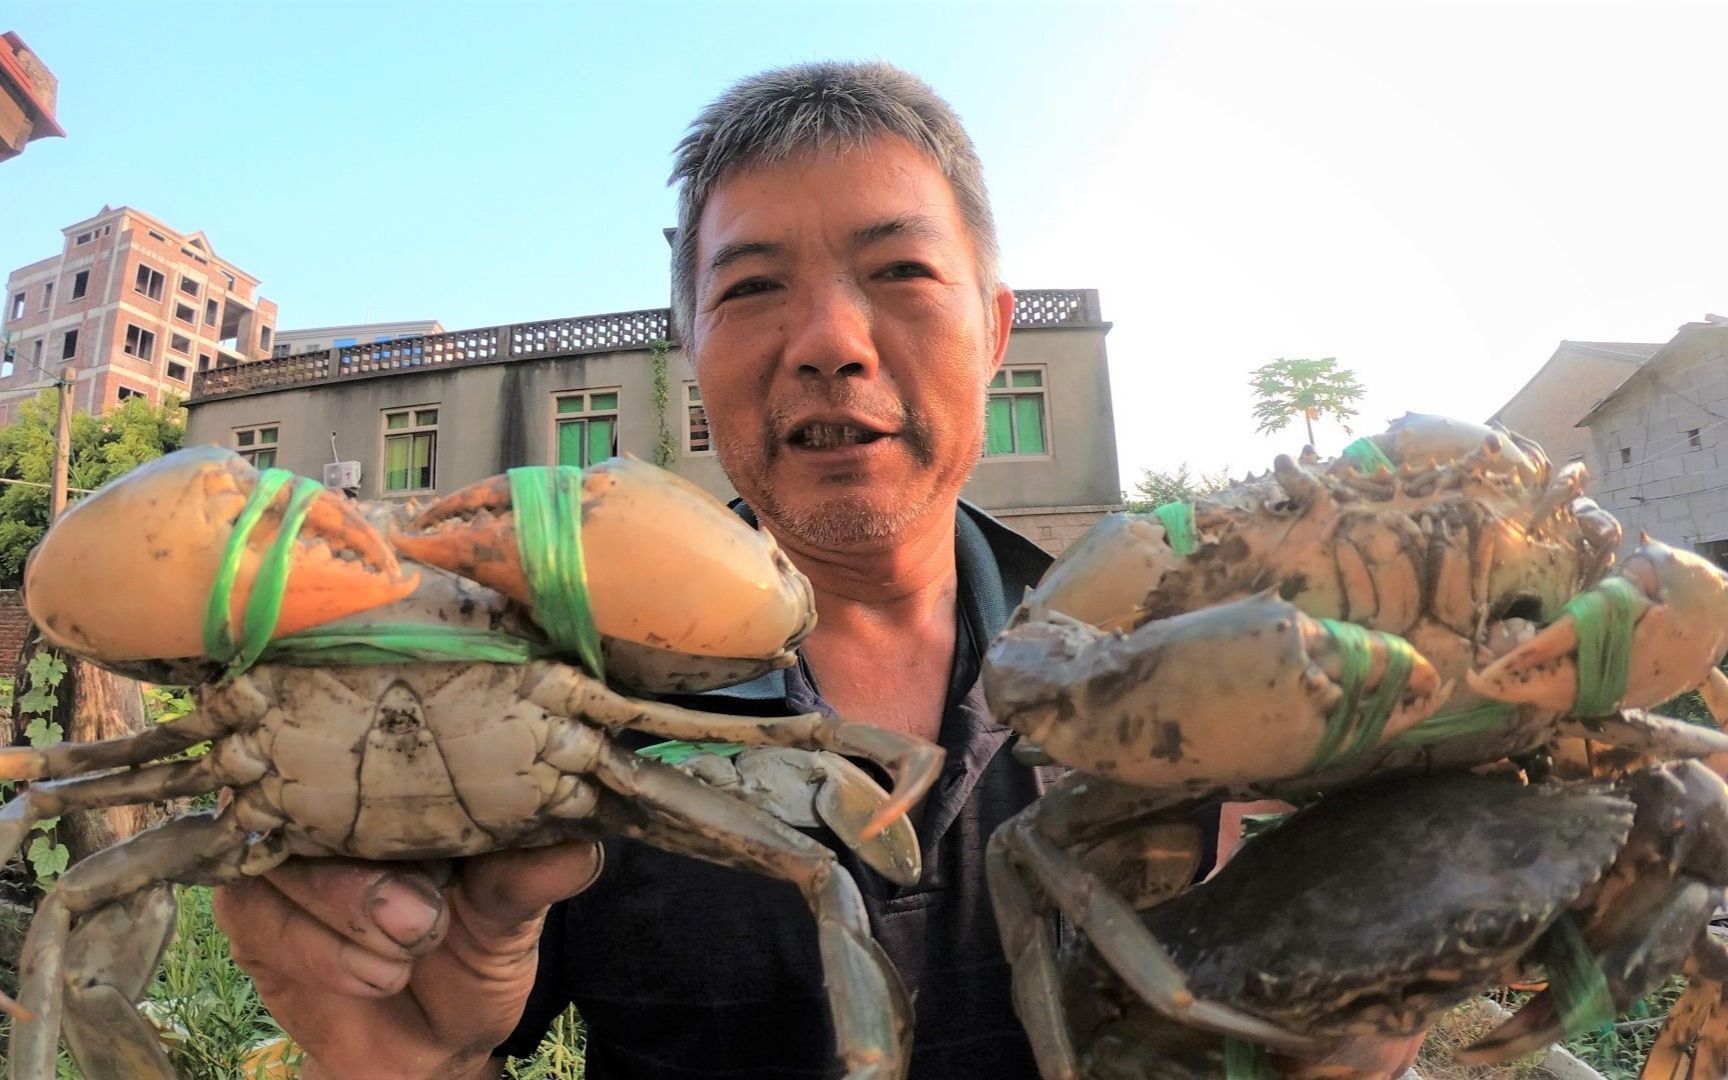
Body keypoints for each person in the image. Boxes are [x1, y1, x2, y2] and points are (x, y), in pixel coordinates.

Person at [213, 60, 1072, 1079]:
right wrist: (403, 1058)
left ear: (996, 331)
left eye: (900, 272)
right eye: (752, 287)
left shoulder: (1133, 680)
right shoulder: (554, 704)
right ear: (691, 351)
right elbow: (434, 1041)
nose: (831, 343)